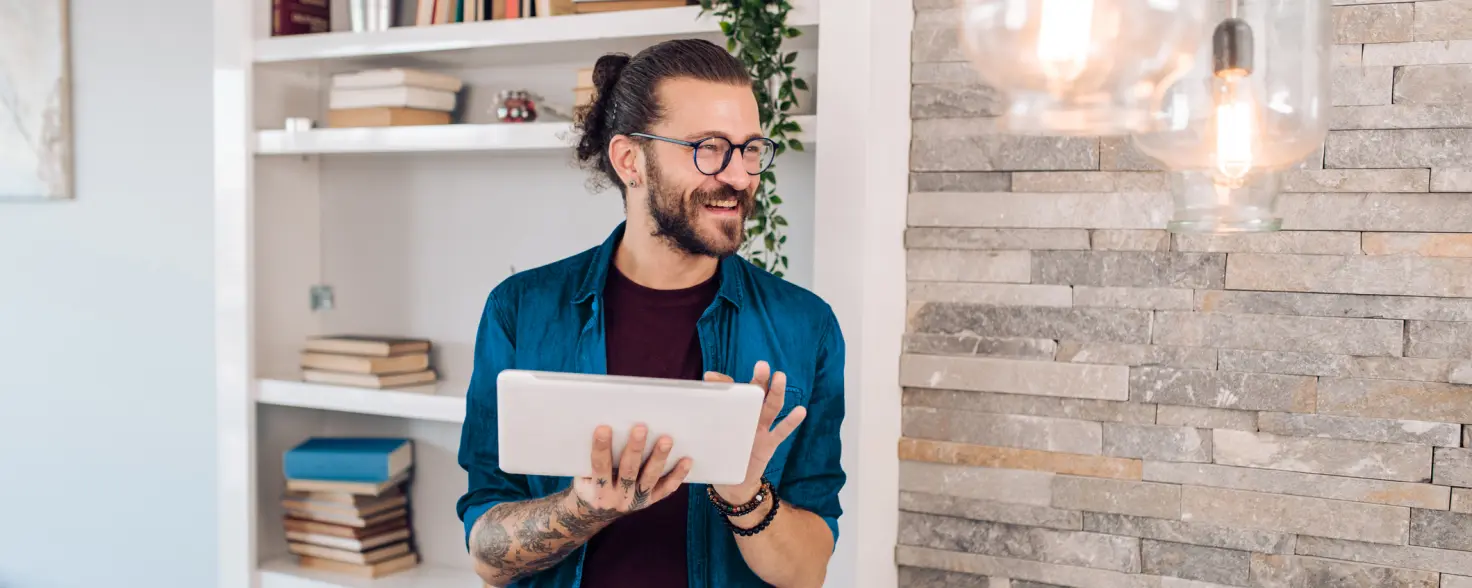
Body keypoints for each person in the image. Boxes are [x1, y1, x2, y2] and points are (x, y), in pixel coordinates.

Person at [454, 38, 847, 588]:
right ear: (629, 159)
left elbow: (807, 572)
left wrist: (745, 494)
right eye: (709, 147)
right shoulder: (521, 310)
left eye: (750, 148)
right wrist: (582, 508)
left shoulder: (806, 327)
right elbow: (487, 556)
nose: (739, 176)